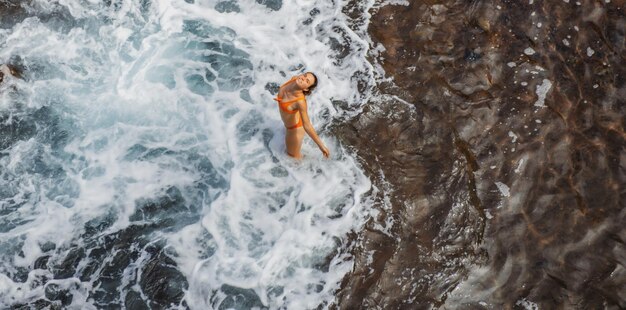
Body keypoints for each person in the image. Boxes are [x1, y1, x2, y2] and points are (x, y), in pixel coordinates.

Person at [275, 72, 330, 159]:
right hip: (289, 123)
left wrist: (321, 146)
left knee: (293, 158)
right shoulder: (294, 79)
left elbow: (307, 125)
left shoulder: (300, 102)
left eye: (307, 81)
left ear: (306, 89)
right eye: (304, 75)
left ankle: (307, 169)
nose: (303, 78)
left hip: (294, 130)